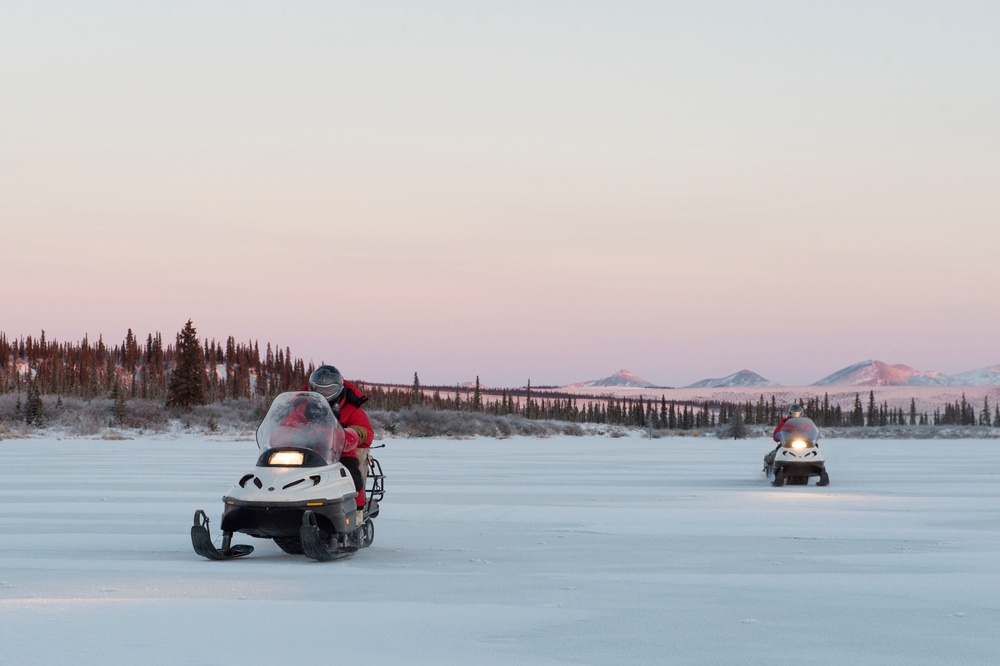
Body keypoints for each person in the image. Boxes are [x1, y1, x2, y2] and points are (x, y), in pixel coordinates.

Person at [307, 364, 374, 530]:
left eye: (328, 390)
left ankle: (356, 512)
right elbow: (287, 422)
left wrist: (354, 433)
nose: (323, 395)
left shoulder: (352, 410)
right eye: (318, 389)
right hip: (307, 450)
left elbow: (366, 432)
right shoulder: (302, 406)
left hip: (340, 452)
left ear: (338, 389)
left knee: (351, 477)